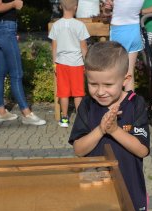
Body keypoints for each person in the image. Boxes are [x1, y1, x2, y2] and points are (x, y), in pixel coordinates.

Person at [69, 41, 150, 211]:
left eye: (108, 84)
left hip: (130, 193)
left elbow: (142, 150)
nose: (100, 91)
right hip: (94, 195)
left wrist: (114, 130)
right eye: (93, 84)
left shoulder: (135, 104)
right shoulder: (87, 106)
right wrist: (100, 129)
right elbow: (79, 149)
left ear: (125, 80)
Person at [0, 0, 46, 125]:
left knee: (0, 72)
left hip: (3, 27)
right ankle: (26, 114)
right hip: (5, 29)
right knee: (16, 73)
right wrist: (14, 4)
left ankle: (1, 112)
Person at [48, 0, 90, 128]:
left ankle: (64, 118)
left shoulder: (56, 25)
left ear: (60, 7)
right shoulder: (80, 25)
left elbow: (54, 47)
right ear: (76, 7)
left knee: (63, 93)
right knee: (78, 93)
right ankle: (80, 118)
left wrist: (54, 63)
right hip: (77, 64)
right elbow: (83, 47)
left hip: (61, 64)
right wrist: (87, 62)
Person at [103, 0, 144, 92]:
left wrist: (107, 8)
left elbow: (106, 13)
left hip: (119, 32)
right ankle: (129, 104)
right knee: (129, 73)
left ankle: (115, 103)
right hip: (134, 30)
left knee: (115, 73)